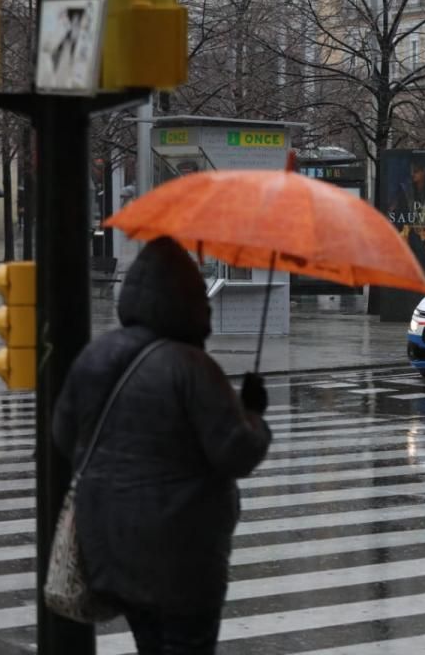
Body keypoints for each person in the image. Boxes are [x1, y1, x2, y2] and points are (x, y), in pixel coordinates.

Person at [53, 237, 271, 654]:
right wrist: (253, 414)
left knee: (148, 642)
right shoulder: (192, 368)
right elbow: (236, 452)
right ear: (190, 301)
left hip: (111, 543)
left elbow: (63, 436)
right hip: (184, 556)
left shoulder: (95, 355)